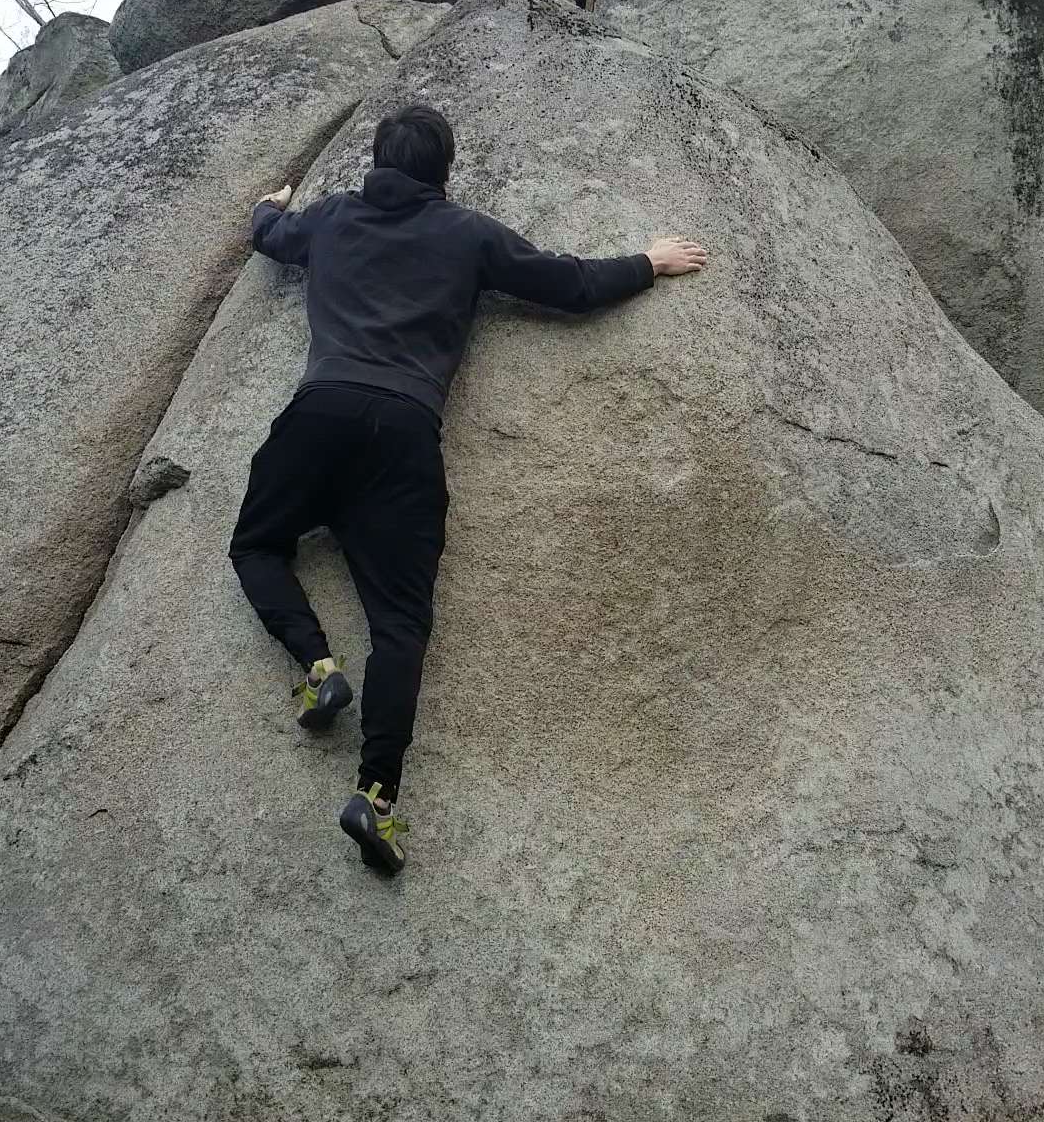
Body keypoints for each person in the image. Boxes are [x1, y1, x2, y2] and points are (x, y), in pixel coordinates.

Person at [229, 104, 706, 875]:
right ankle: (374, 798)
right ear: (443, 171)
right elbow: (570, 285)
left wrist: (266, 204)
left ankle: (316, 667)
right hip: (406, 432)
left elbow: (269, 240)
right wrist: (647, 263)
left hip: (322, 412)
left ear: (376, 162)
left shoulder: (331, 219)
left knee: (256, 543)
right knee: (401, 625)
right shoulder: (468, 235)